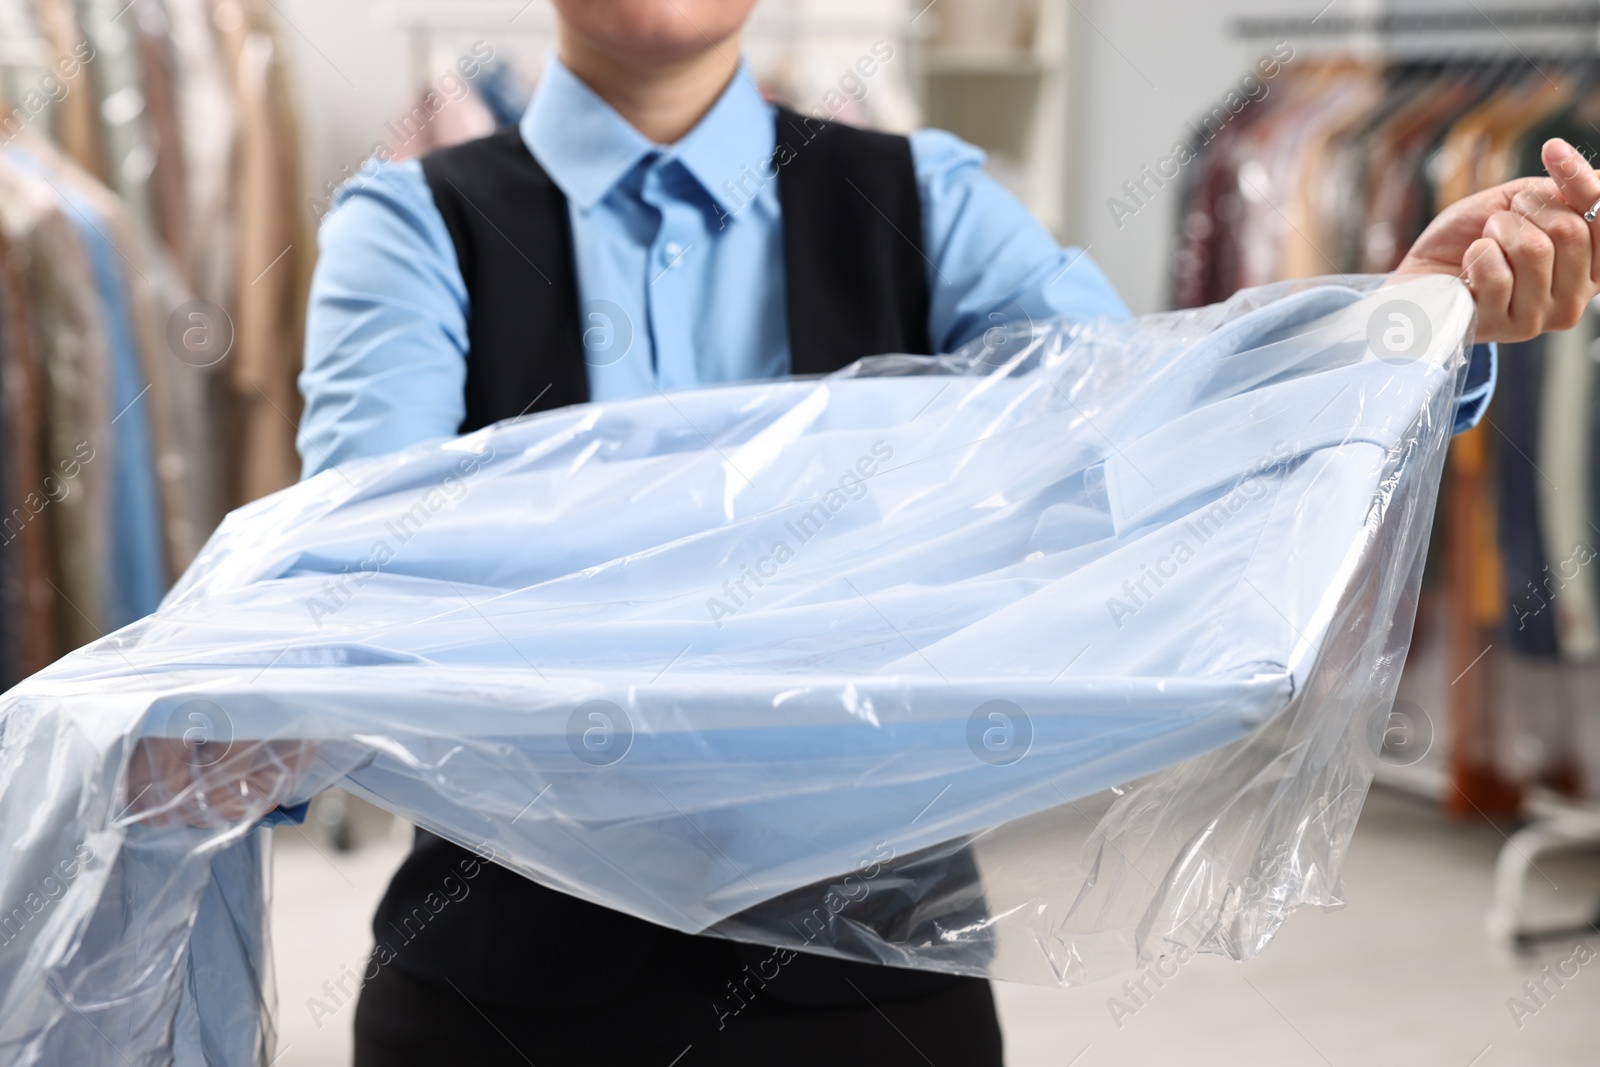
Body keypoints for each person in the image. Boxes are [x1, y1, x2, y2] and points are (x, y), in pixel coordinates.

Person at [296, 3, 1600, 1063]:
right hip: (502, 993)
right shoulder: (411, 227)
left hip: (874, 989)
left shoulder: (921, 199)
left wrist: (1404, 322)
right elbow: (366, 584)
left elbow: (1147, 425)